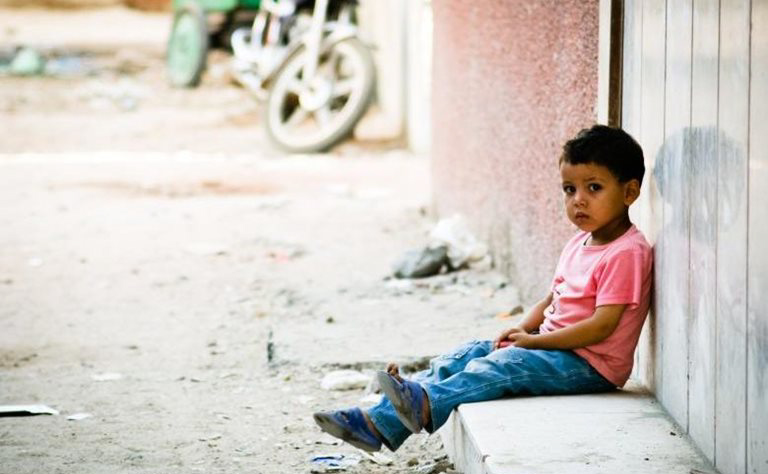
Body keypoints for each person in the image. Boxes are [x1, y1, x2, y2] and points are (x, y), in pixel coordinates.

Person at [313, 124, 653, 453]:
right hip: (556, 350)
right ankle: (378, 420)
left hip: (589, 366)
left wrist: (535, 342)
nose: (578, 200)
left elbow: (601, 326)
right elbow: (553, 299)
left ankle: (413, 407)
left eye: (593, 188)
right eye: (569, 189)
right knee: (472, 352)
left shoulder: (626, 253)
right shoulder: (580, 241)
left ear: (629, 192)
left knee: (502, 365)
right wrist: (523, 327)